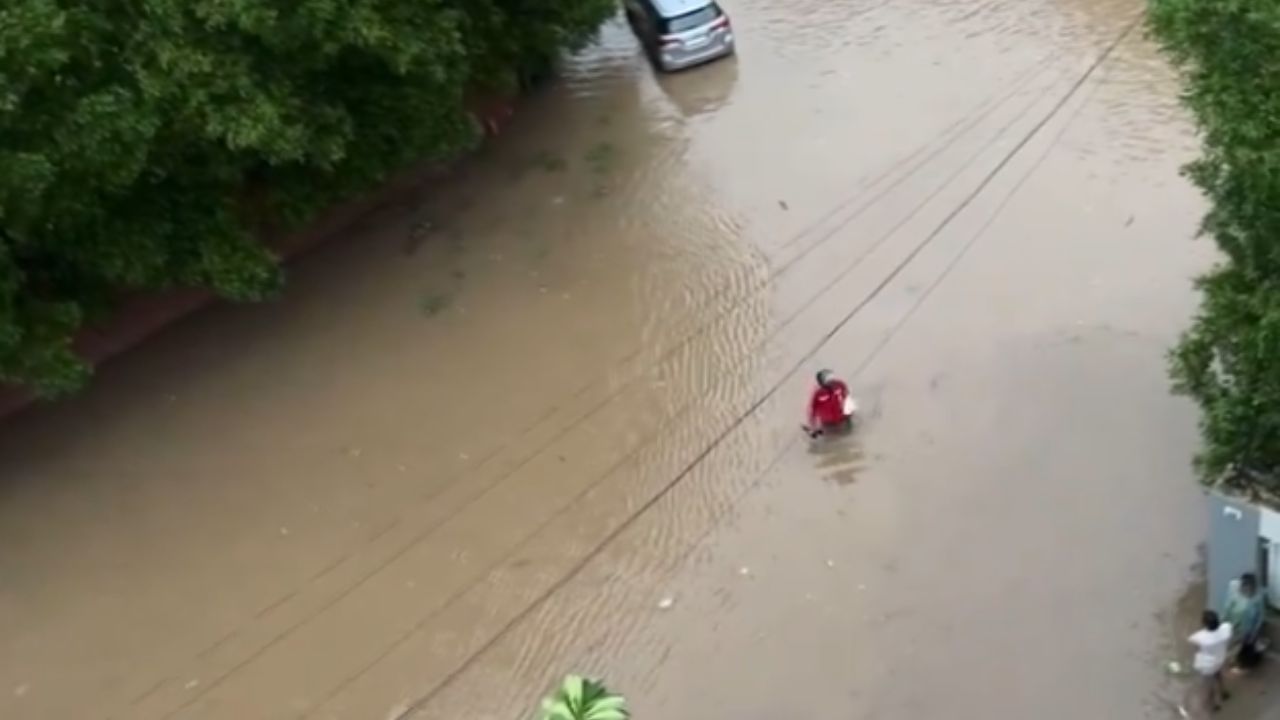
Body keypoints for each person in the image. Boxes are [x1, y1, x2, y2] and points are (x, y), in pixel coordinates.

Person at [1189, 610, 1233, 713]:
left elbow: (1195, 646)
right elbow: (1228, 627)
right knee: (1218, 675)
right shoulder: (1225, 630)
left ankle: (1214, 705)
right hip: (1220, 659)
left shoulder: (1200, 636)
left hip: (1208, 665)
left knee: (1209, 685)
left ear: (1204, 624)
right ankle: (1224, 692)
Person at [1223, 572, 1265, 670]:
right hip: (1234, 626)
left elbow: (1260, 616)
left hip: (1248, 629)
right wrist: (1224, 622)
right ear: (1242, 586)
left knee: (1244, 645)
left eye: (1251, 588)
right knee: (1233, 644)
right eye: (1246, 587)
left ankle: (1240, 662)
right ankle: (1233, 661)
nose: (1248, 590)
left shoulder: (1258, 598)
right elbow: (1227, 609)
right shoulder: (1235, 595)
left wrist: (1255, 631)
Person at [806, 369, 852, 438]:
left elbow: (847, 399)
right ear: (821, 382)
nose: (831, 381)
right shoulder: (818, 394)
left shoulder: (840, 385)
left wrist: (849, 416)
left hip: (843, 419)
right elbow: (813, 410)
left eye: (832, 377)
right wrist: (813, 426)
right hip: (828, 424)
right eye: (828, 379)